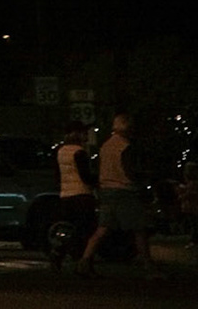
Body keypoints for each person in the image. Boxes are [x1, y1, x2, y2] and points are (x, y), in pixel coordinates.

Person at [76, 112, 159, 278]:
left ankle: (84, 261)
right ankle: (148, 267)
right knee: (139, 229)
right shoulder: (125, 146)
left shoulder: (106, 146)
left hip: (106, 189)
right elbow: (129, 171)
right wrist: (143, 178)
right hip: (124, 191)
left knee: (102, 229)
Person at [50, 122, 95, 271]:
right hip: (81, 194)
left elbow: (57, 176)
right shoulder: (79, 152)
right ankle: (82, 261)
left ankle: (58, 253)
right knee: (84, 230)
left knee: (67, 227)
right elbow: (85, 176)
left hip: (65, 195)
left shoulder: (60, 151)